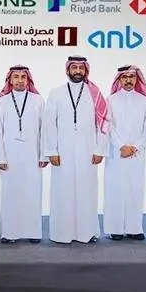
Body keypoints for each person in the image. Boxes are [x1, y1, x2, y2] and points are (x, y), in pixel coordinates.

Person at [43, 56, 108, 244]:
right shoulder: (56, 93)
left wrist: (100, 149)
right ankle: (61, 234)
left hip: (88, 151)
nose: (78, 71)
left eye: (81, 67)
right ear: (67, 70)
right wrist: (52, 151)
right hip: (62, 152)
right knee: (63, 192)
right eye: (74, 67)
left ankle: (87, 233)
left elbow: (103, 124)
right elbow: (49, 124)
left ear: (86, 70)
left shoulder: (94, 93)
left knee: (87, 191)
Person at [0, 65, 47, 243]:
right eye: (16, 77)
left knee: (32, 192)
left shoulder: (38, 100)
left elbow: (44, 129)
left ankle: (33, 233)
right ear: (10, 80)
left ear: (28, 80)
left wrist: (44, 155)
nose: (20, 80)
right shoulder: (2, 102)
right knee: (10, 193)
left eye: (23, 77)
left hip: (33, 154)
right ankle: (10, 233)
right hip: (10, 155)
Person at [104, 65, 146, 241]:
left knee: (135, 189)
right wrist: (121, 146)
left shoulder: (145, 101)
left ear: (137, 79)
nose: (128, 80)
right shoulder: (111, 100)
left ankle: (134, 228)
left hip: (137, 154)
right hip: (116, 153)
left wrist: (136, 146)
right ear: (119, 80)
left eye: (132, 77)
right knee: (115, 189)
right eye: (125, 77)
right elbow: (108, 126)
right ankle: (115, 228)